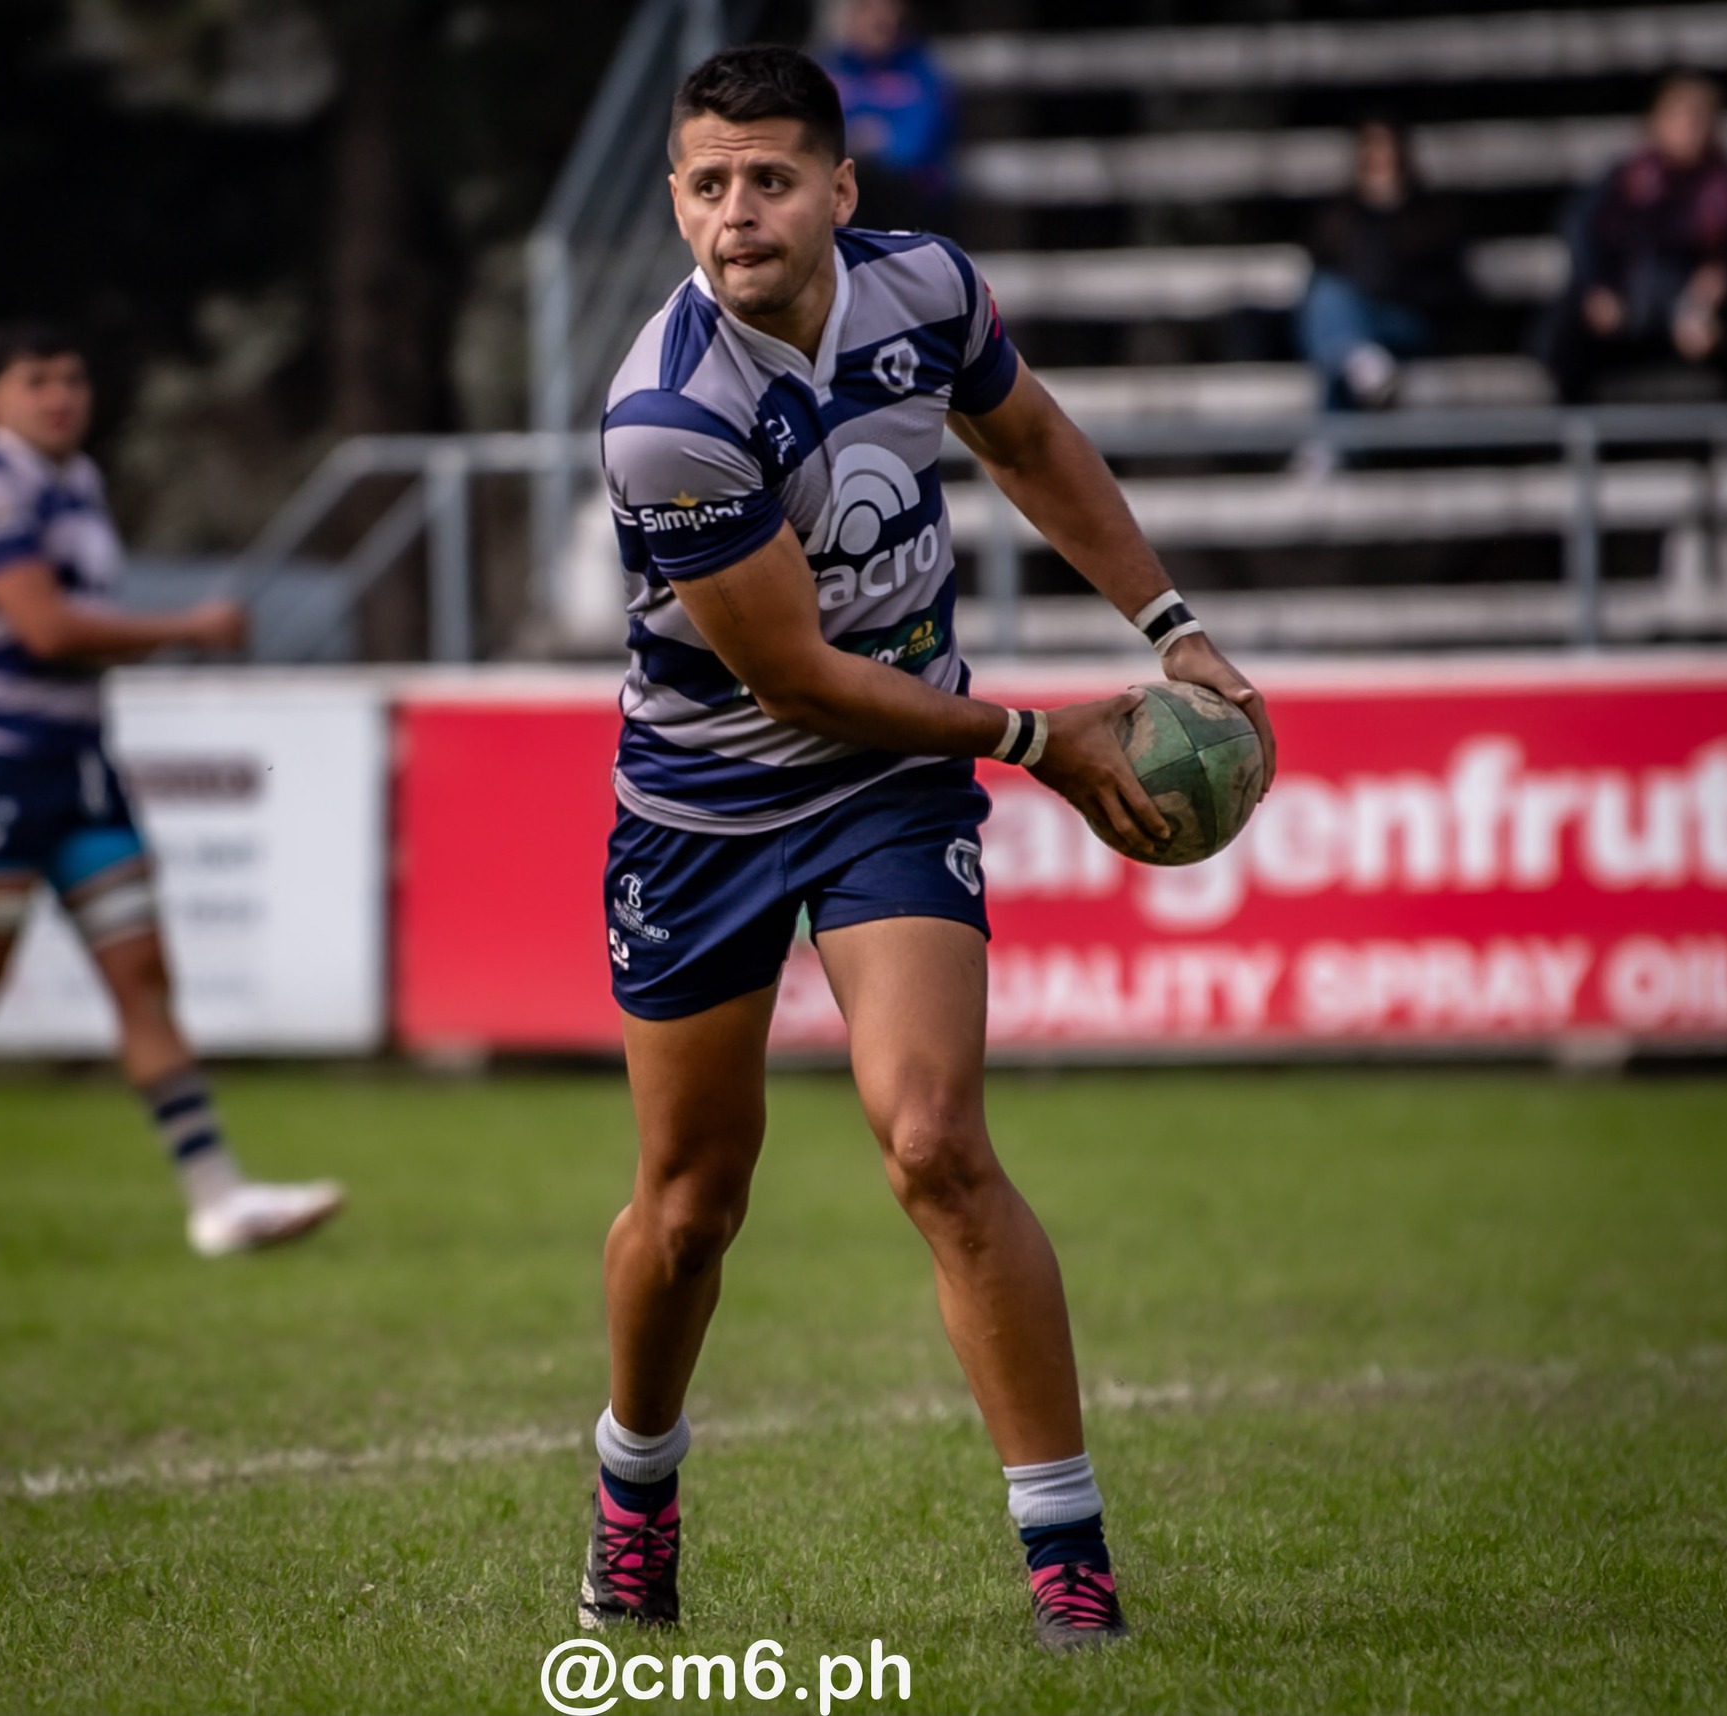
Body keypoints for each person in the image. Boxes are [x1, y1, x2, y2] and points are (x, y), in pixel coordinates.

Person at [579, 47, 1275, 1650]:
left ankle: (1069, 1568)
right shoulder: (667, 417)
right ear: (675, 200)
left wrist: (1171, 632)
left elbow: (1029, 444)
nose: (736, 211)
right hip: (705, 809)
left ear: (840, 189)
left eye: (768, 178)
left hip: (892, 788)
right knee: (692, 1205)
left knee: (937, 1145)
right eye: (705, 183)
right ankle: (635, 1483)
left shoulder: (928, 291)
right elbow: (796, 679)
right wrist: (1044, 740)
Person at [0, 322, 346, 1261]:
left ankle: (218, 1200)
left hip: (81, 769)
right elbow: (43, 629)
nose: (59, 397)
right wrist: (189, 628)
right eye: (36, 381)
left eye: (72, 378)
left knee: (143, 982)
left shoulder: (73, 483)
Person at [1540, 72, 1727, 402]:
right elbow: (1580, 233)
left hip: (1699, 316)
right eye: (1681, 118)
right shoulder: (1623, 182)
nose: (1690, 129)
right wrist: (1598, 289)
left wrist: (1713, 295)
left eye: (1700, 119)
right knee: (1563, 333)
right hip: (1629, 309)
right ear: (1657, 122)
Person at [1299, 119, 1469, 412]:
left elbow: (1447, 286)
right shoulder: (1340, 216)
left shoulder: (1430, 214)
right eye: (1372, 150)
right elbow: (1320, 271)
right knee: (1333, 311)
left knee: (1343, 351)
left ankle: (1327, 447)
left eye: (1386, 149)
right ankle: (1363, 362)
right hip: (1352, 320)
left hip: (1405, 320)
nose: (1381, 159)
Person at [819, 0, 956, 233]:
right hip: (844, 191)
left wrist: (874, 142)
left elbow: (918, 147)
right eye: (866, 8)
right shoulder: (828, 70)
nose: (881, 17)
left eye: (889, 8)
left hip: (906, 196)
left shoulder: (922, 73)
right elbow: (815, 141)